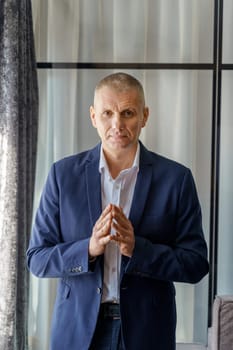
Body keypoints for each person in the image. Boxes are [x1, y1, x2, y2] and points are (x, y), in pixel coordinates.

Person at [27, 72, 209, 350]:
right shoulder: (62, 175)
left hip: (148, 331)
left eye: (128, 113)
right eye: (107, 113)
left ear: (145, 116)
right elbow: (37, 259)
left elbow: (196, 263)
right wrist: (87, 249)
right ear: (93, 117)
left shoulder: (176, 179)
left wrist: (138, 249)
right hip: (77, 331)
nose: (117, 124)